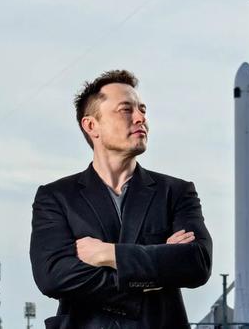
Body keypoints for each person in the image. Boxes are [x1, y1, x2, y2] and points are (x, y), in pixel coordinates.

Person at [29, 69, 212, 329]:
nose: (141, 118)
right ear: (91, 126)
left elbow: (197, 263)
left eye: (143, 110)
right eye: (126, 110)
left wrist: (108, 253)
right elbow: (54, 276)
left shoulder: (176, 192)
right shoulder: (57, 197)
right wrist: (155, 271)